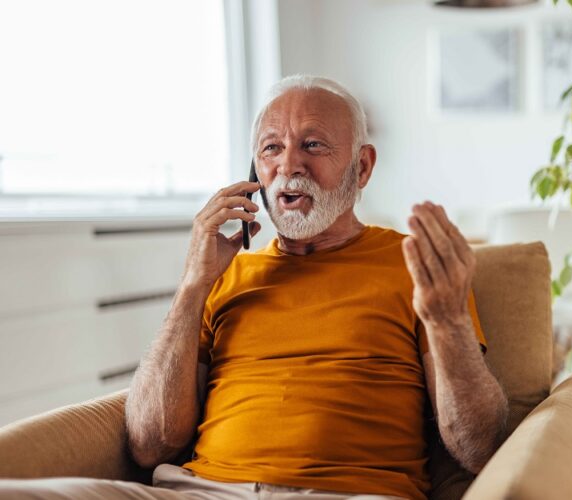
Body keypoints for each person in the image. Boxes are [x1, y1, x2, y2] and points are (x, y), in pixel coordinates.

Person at [0, 76, 508, 500]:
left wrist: (448, 321)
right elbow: (150, 444)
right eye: (271, 149)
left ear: (362, 166)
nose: (289, 166)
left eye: (313, 145)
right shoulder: (223, 277)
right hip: (196, 490)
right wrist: (193, 284)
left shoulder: (419, 267)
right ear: (254, 173)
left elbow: (478, 446)